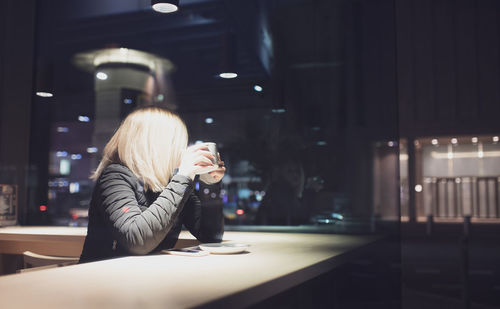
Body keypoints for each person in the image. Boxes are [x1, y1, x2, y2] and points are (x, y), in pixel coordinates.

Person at [79, 106, 225, 263]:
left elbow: (210, 235)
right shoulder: (115, 176)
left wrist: (210, 184)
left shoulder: (171, 181)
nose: (182, 149)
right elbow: (137, 242)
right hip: (102, 276)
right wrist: (184, 175)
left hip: (145, 274)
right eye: (176, 142)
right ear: (155, 145)